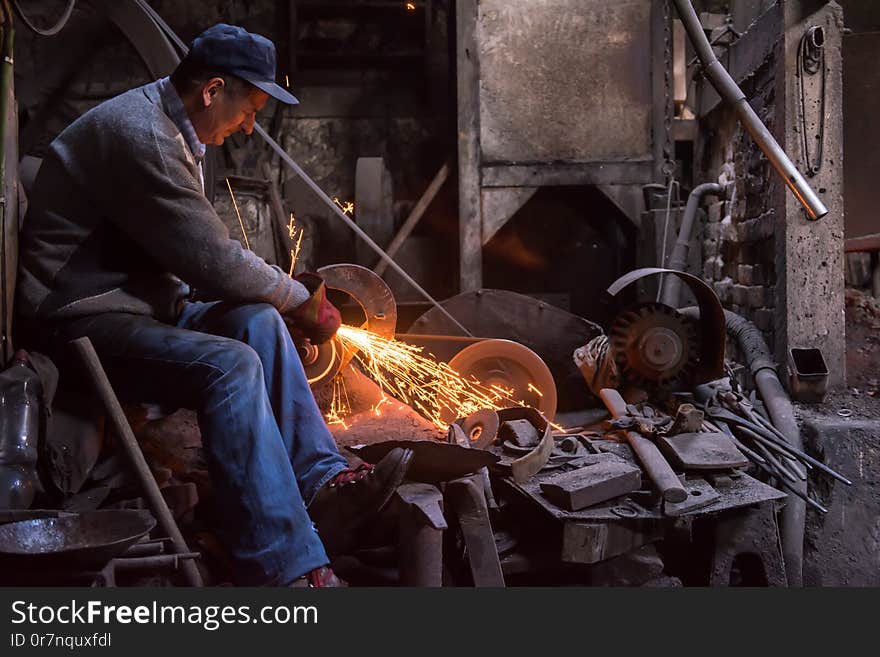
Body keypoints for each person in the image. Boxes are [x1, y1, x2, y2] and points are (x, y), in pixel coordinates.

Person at [15, 23, 413, 587]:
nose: (249, 125)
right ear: (211, 90)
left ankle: (321, 487)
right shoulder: (143, 136)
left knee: (258, 321)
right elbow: (214, 261)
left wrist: (281, 303)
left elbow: (199, 265)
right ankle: (285, 566)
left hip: (142, 306)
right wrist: (303, 299)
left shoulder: (174, 130)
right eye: (247, 108)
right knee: (231, 367)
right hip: (80, 319)